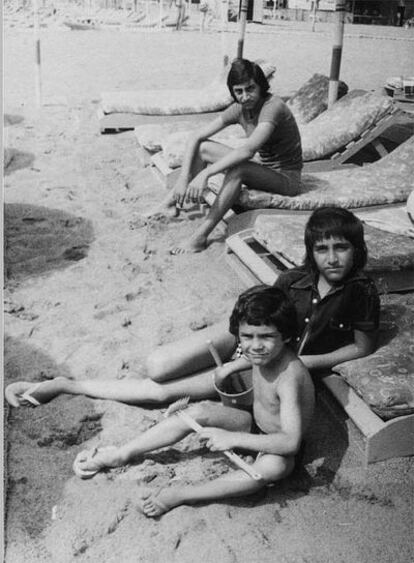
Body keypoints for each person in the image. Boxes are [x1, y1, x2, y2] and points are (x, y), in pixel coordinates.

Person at [5, 206, 379, 408]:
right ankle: (71, 384)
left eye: (341, 248)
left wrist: (290, 362)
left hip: (274, 360)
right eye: (322, 248)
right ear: (311, 250)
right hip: (245, 339)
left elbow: (361, 347)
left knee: (161, 392)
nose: (331, 258)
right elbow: (257, 317)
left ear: (356, 250)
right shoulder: (291, 280)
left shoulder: (360, 292)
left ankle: (64, 386)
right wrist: (235, 345)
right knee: (157, 364)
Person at [72, 286, 315, 517]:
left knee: (272, 469)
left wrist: (232, 439)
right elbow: (256, 355)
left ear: (286, 337)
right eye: (247, 337)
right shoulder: (264, 354)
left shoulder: (289, 378)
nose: (255, 346)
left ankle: (183, 494)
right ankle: (123, 453)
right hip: (255, 425)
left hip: (278, 446)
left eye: (266, 337)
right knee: (198, 412)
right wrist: (231, 367)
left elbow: (291, 442)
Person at [149, 58, 302, 254]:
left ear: (261, 86)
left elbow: (247, 151)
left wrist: (205, 174)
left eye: (250, 89)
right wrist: (183, 178)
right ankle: (170, 204)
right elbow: (196, 136)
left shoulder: (273, 107)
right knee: (203, 147)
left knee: (239, 168)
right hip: (265, 169)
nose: (245, 96)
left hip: (287, 179)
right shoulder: (241, 108)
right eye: (239, 91)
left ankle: (199, 238)